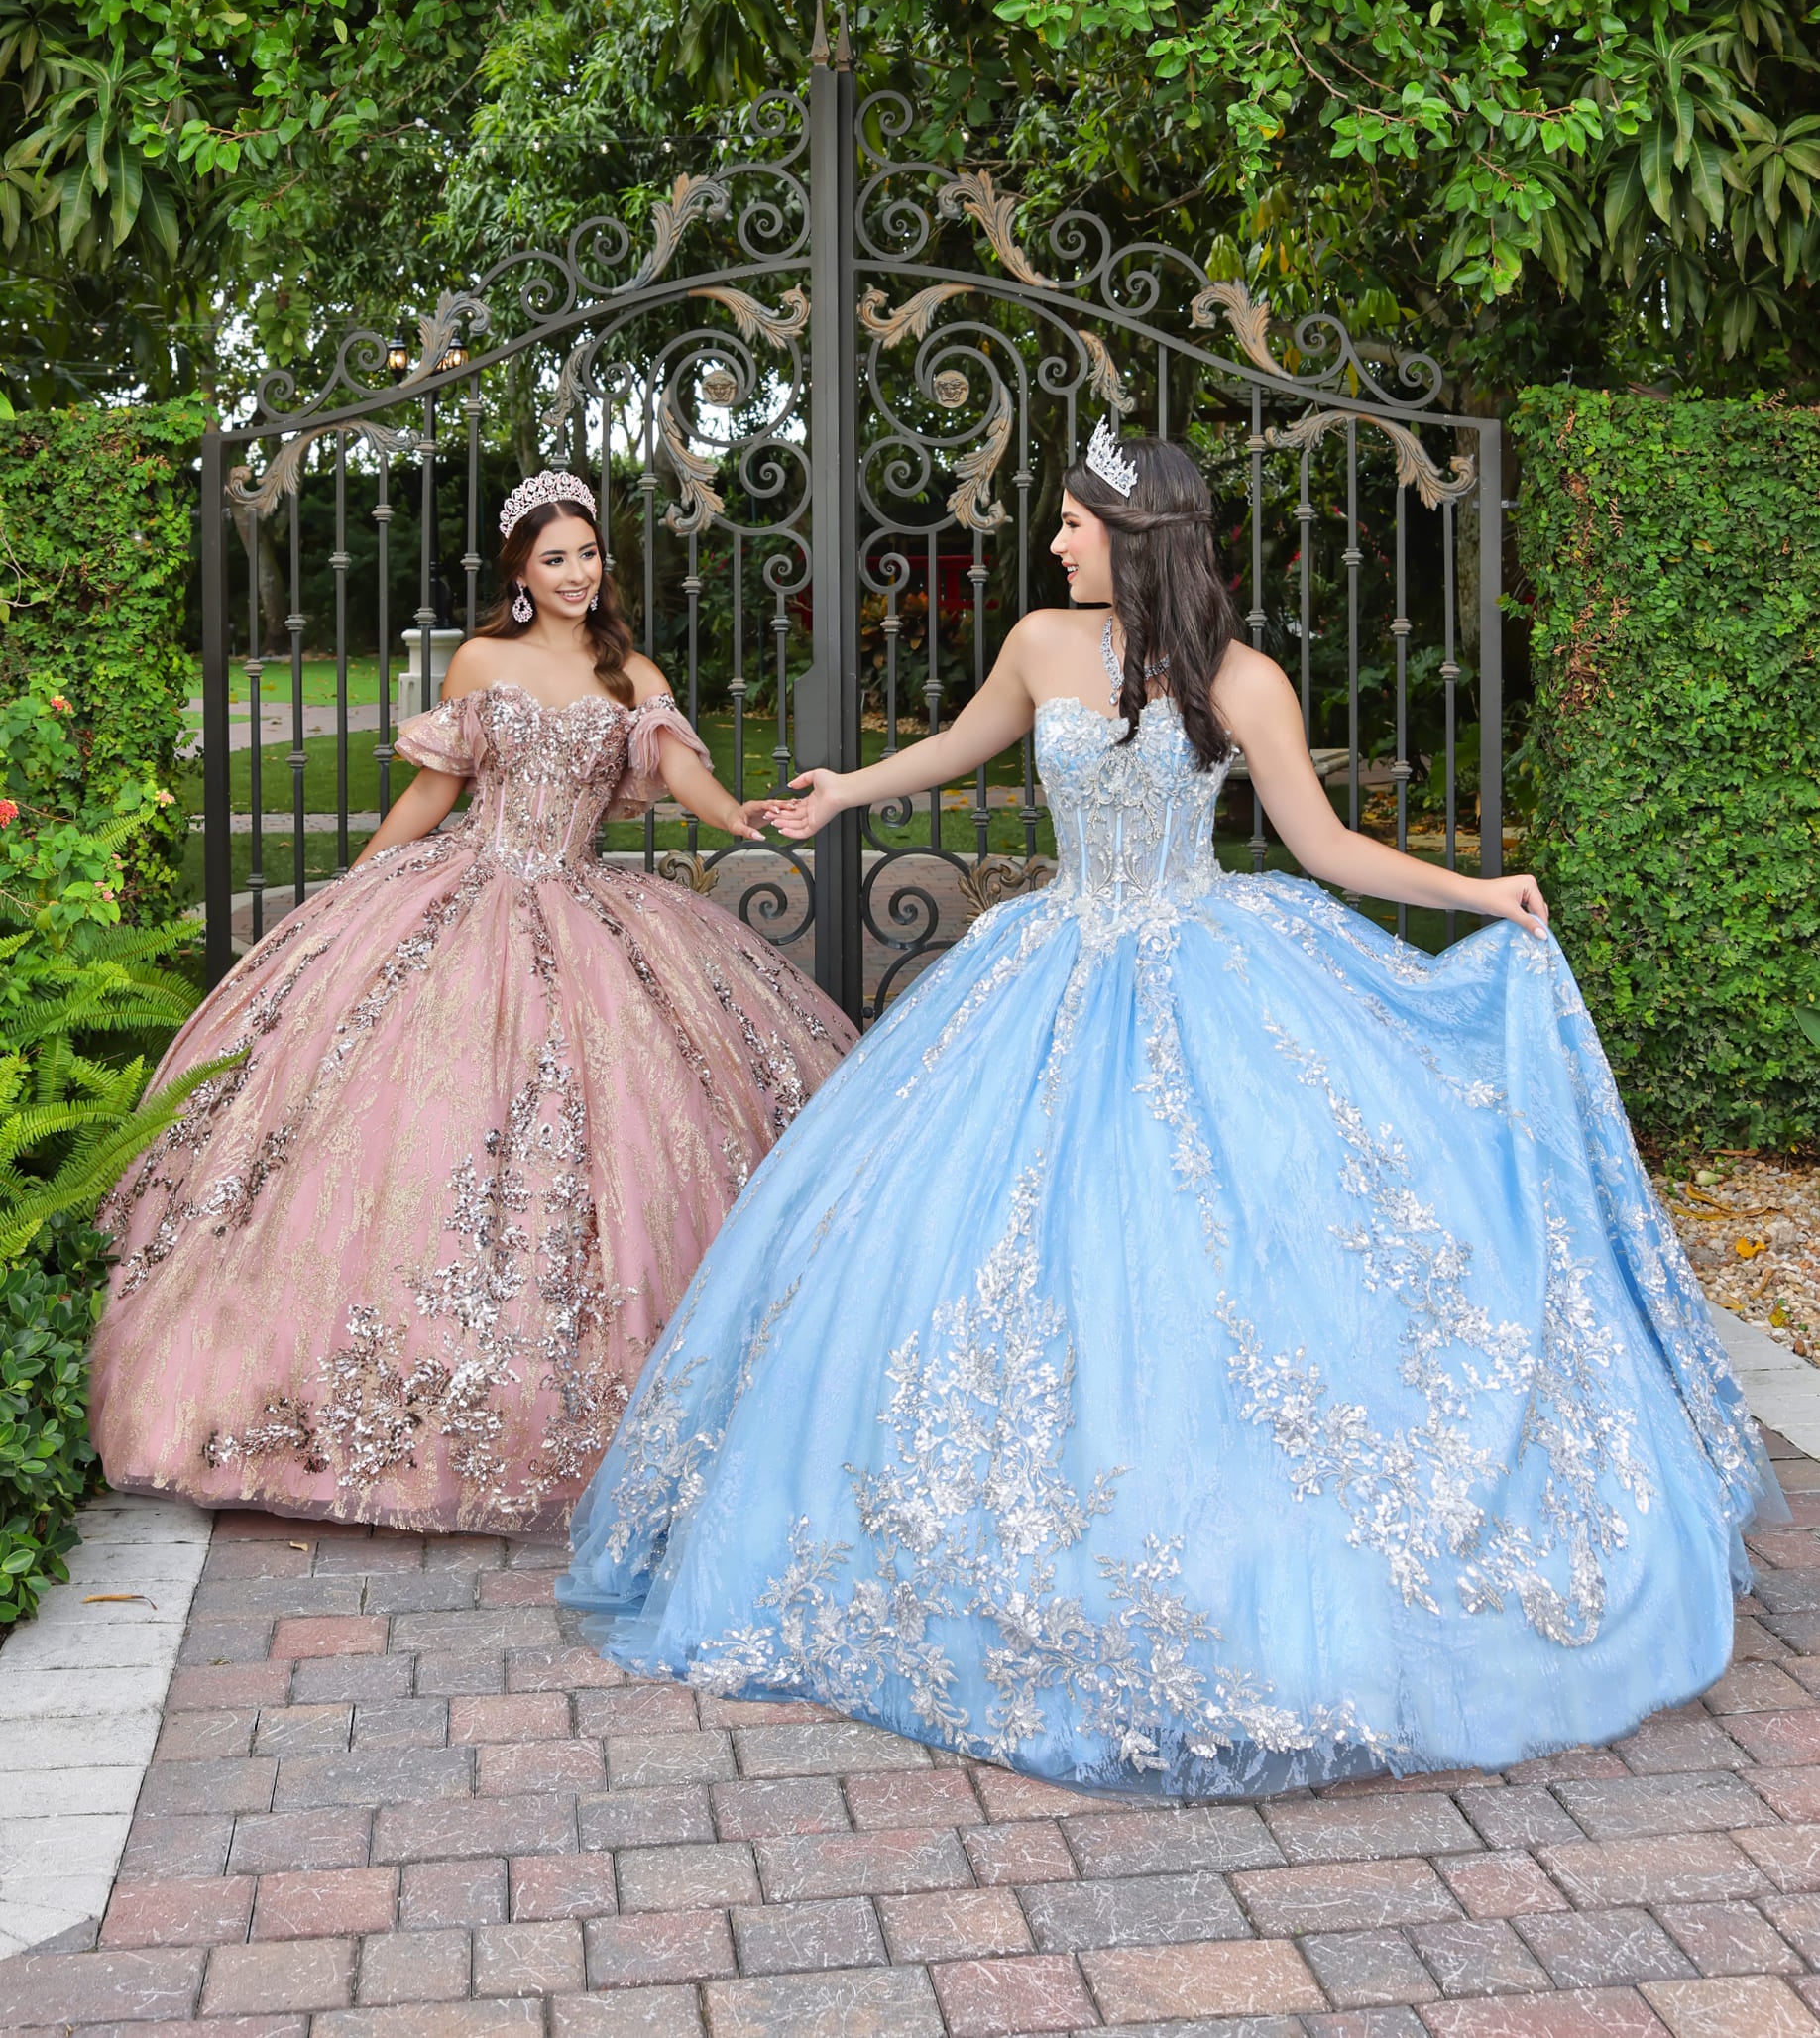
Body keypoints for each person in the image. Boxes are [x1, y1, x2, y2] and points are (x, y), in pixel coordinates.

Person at [558, 429, 1777, 1796]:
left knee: (1232, 1260)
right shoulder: (1038, 644)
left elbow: (1324, 846)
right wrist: (846, 788)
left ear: (1138, 536)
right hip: (1051, 971)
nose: (1054, 543)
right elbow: (957, 747)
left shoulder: (1242, 679)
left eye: (1074, 524)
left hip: (1207, 971)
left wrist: (1477, 891)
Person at [90, 472, 853, 1533]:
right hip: (468, 891)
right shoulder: (481, 661)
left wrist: (737, 815)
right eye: (556, 559)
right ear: (521, 574)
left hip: (581, 902)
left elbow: (684, 775)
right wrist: (360, 885)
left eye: (589, 554)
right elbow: (433, 791)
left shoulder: (632, 673)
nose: (578, 573)